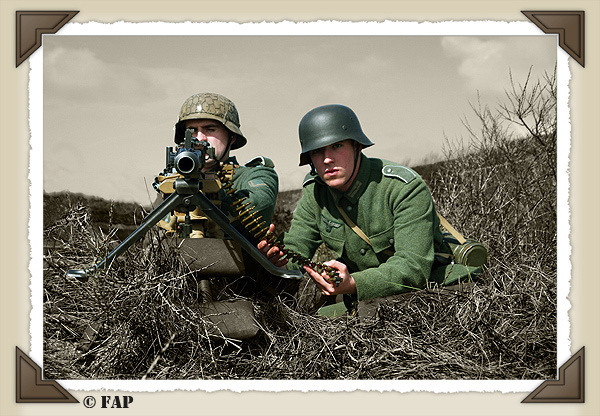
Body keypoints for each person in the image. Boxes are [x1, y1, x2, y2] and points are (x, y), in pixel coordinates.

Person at [258, 104, 481, 316]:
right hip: (365, 294)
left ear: (356, 146)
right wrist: (277, 257)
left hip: (427, 286)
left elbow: (413, 267)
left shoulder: (402, 187)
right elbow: (297, 248)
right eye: (317, 151)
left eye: (337, 146)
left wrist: (353, 283)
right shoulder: (316, 193)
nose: (327, 159)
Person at [156, 92, 278, 243]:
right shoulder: (173, 183)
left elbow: (259, 204)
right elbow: (150, 237)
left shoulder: (254, 175)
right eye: (192, 130)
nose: (200, 138)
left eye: (210, 129)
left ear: (231, 137)